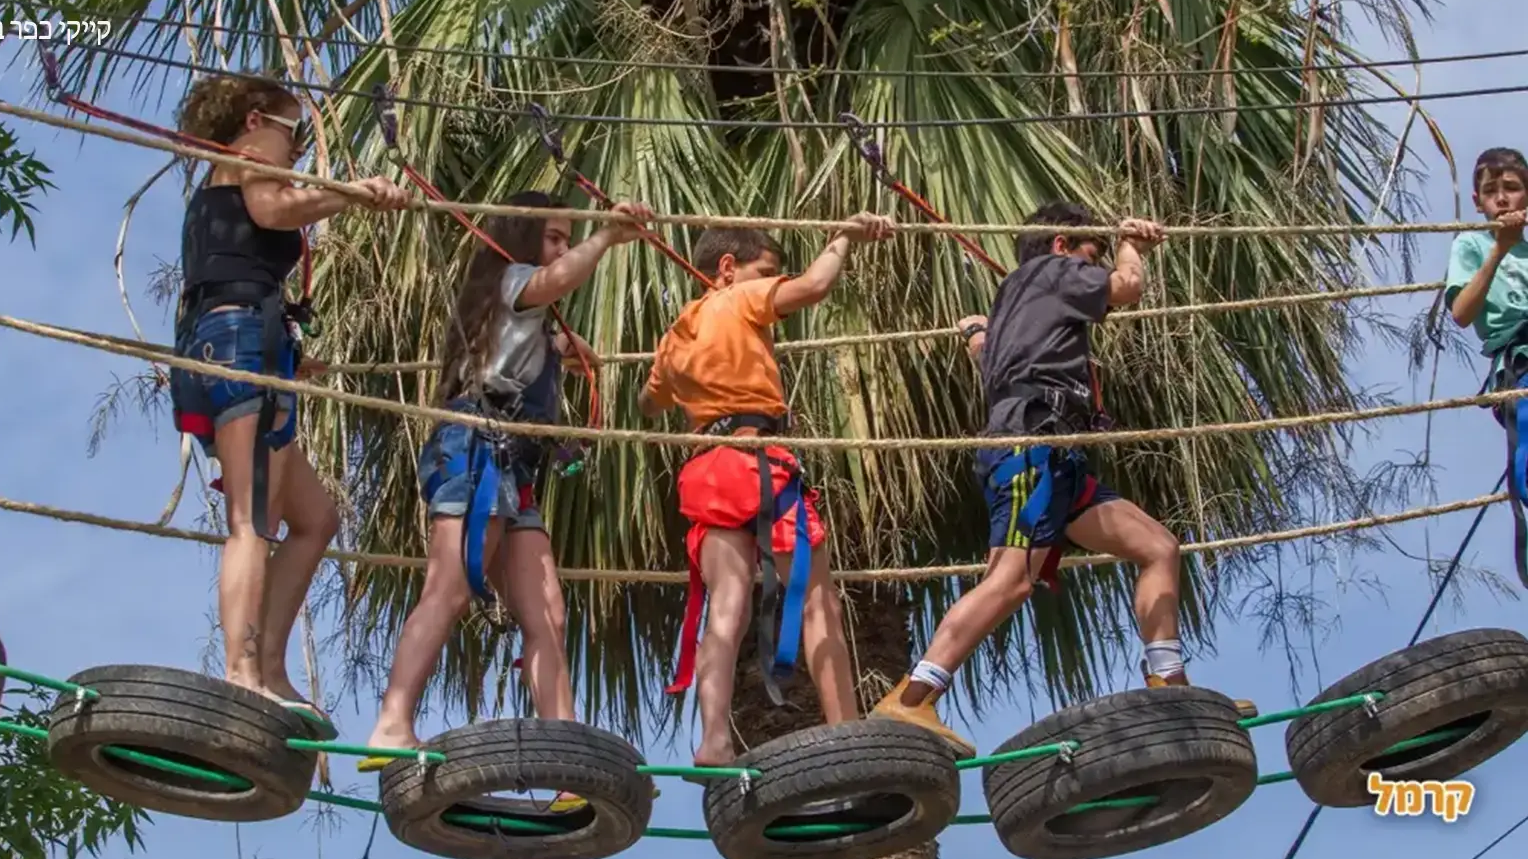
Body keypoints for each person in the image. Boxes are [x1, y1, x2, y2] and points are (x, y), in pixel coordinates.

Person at [869, 201, 1255, 758]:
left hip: (1059, 458)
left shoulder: (1019, 303)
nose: (1093, 267)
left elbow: (995, 361)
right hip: (1031, 451)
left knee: (1157, 547)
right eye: (1090, 254)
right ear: (1060, 245)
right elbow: (1127, 287)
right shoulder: (1051, 271)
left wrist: (978, 334)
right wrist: (1132, 247)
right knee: (1010, 581)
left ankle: (1168, 680)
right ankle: (913, 697)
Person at [358, 192, 653, 804]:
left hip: (513, 461)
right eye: (554, 237)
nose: (563, 248)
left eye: (567, 238)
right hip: (476, 448)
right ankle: (392, 721)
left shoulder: (529, 314)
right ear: (521, 239)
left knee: (548, 613)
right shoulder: (516, 279)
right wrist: (604, 237)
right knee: (450, 588)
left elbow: (536, 334)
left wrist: (561, 350)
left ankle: (565, 755)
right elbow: (550, 282)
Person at [169, 74, 409, 739]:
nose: (297, 149)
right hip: (236, 339)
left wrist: (288, 353)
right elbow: (274, 211)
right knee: (251, 519)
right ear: (254, 122)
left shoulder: (223, 184)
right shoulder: (249, 160)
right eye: (292, 132)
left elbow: (236, 259)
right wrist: (353, 195)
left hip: (241, 339)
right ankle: (242, 671)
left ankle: (270, 668)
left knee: (314, 518)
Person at [638, 215, 896, 774]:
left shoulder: (674, 335)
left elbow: (649, 404)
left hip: (706, 467)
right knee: (818, 602)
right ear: (728, 268)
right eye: (766, 271)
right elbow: (814, 286)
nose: (772, 282)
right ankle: (848, 733)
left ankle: (713, 740)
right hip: (758, 461)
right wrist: (842, 240)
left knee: (726, 608)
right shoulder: (739, 297)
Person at [1447, 147, 1528, 583]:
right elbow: (1461, 313)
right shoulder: (1472, 245)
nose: (1502, 198)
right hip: (1521, 365)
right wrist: (1500, 249)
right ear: (1478, 202)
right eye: (1491, 190)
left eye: (1512, 188)